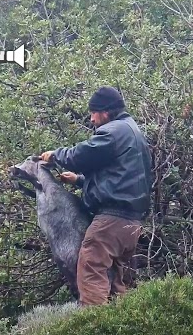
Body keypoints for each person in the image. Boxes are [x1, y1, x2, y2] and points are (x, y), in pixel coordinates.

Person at [40, 86, 152, 306]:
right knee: (114, 281)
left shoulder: (113, 132)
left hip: (112, 220)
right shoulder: (133, 132)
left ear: (106, 112)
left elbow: (82, 155)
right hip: (131, 223)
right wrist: (80, 181)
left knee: (90, 268)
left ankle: (95, 330)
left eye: (93, 112)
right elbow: (122, 178)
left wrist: (56, 155)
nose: (91, 118)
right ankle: (124, 327)